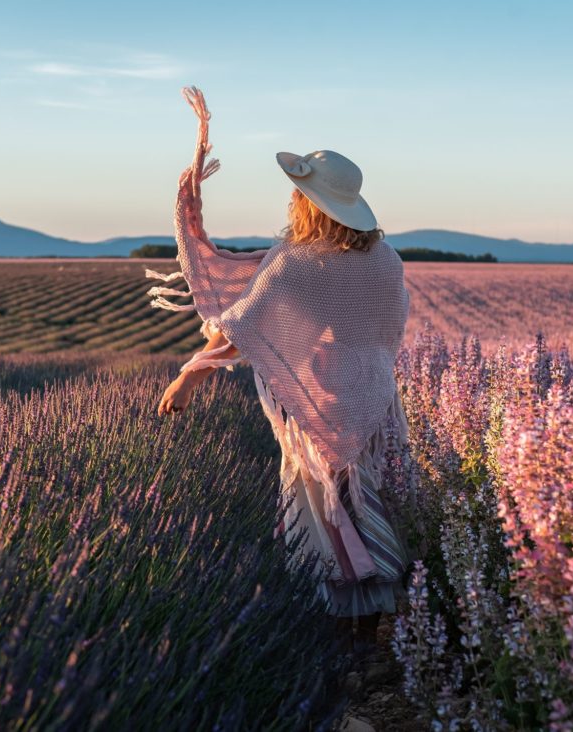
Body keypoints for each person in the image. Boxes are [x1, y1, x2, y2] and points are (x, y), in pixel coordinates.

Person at [148, 87, 412, 657]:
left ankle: (340, 636)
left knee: (322, 507)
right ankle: (371, 630)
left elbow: (242, 324)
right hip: (373, 396)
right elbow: (388, 331)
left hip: (320, 396)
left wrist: (189, 374)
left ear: (308, 205)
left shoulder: (298, 262)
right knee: (364, 498)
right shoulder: (386, 260)